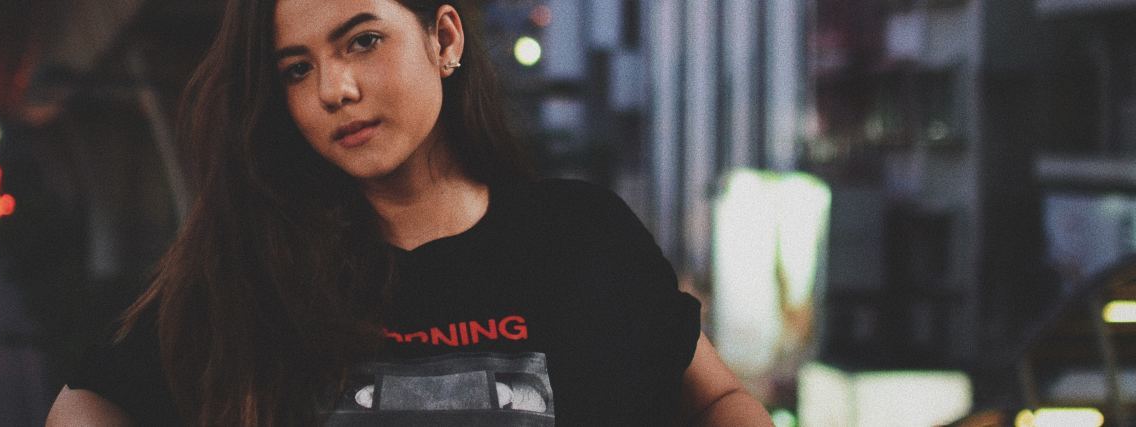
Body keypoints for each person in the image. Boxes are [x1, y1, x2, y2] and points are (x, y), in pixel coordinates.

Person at [46, 0, 771, 425]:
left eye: (363, 41)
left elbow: (718, 397)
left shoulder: (578, 235)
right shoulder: (257, 267)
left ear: (444, 39)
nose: (335, 89)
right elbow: (86, 405)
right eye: (297, 69)